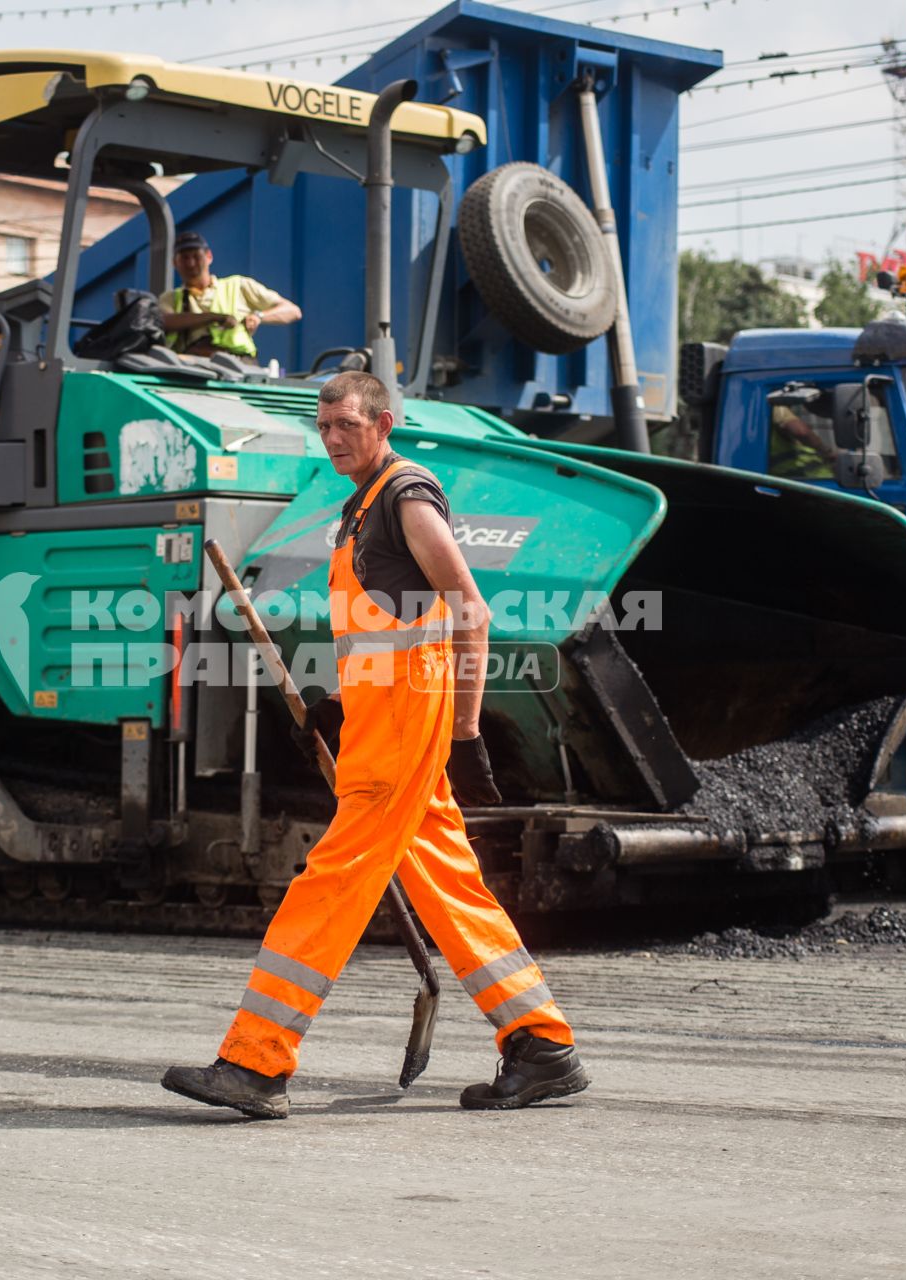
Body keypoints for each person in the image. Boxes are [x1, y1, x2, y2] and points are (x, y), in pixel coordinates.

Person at [162, 370, 587, 1120]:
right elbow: (383, 636)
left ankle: (257, 1061)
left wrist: (463, 731)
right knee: (446, 878)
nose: (332, 440)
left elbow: (471, 614)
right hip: (381, 717)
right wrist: (337, 702)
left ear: (383, 422)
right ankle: (541, 1043)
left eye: (347, 427)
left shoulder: (406, 497)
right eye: (324, 428)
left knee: (334, 877)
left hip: (406, 724)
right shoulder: (360, 507)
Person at [158, 230, 300, 361]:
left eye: (196, 255)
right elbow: (164, 322)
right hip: (192, 367)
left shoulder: (238, 286)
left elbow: (293, 311)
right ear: (175, 263)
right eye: (184, 258)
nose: (191, 263)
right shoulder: (170, 298)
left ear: (209, 256)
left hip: (239, 365)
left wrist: (259, 316)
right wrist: (214, 317)